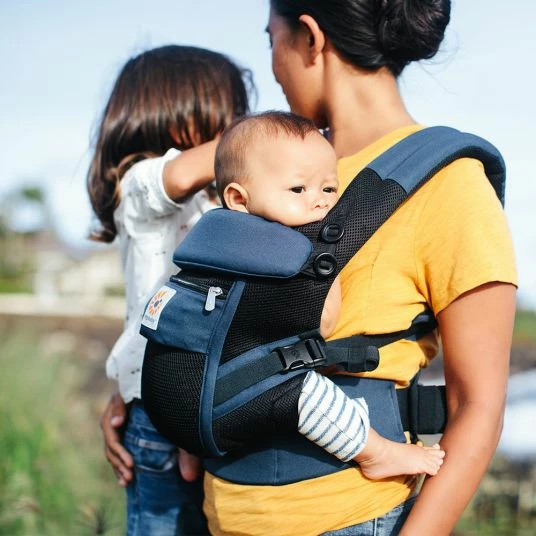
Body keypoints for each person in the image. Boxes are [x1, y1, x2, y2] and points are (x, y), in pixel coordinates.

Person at [199, 2, 518, 535]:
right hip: (222, 512)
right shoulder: (266, 179)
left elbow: (478, 406)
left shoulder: (449, 182)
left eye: (271, 40)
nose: (272, 67)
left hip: (350, 517)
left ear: (310, 38)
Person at [140, 110, 445, 480]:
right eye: (299, 189)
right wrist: (329, 265)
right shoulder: (284, 252)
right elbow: (325, 324)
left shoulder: (214, 241)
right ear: (238, 198)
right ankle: (377, 453)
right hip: (213, 408)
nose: (319, 202)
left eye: (329, 189)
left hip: (172, 403)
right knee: (305, 393)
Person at [87, 44, 253, 535]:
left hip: (208, 405)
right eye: (232, 114)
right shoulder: (139, 186)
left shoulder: (219, 199)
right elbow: (179, 174)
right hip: (160, 415)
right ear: (181, 115)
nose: (239, 125)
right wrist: (267, 138)